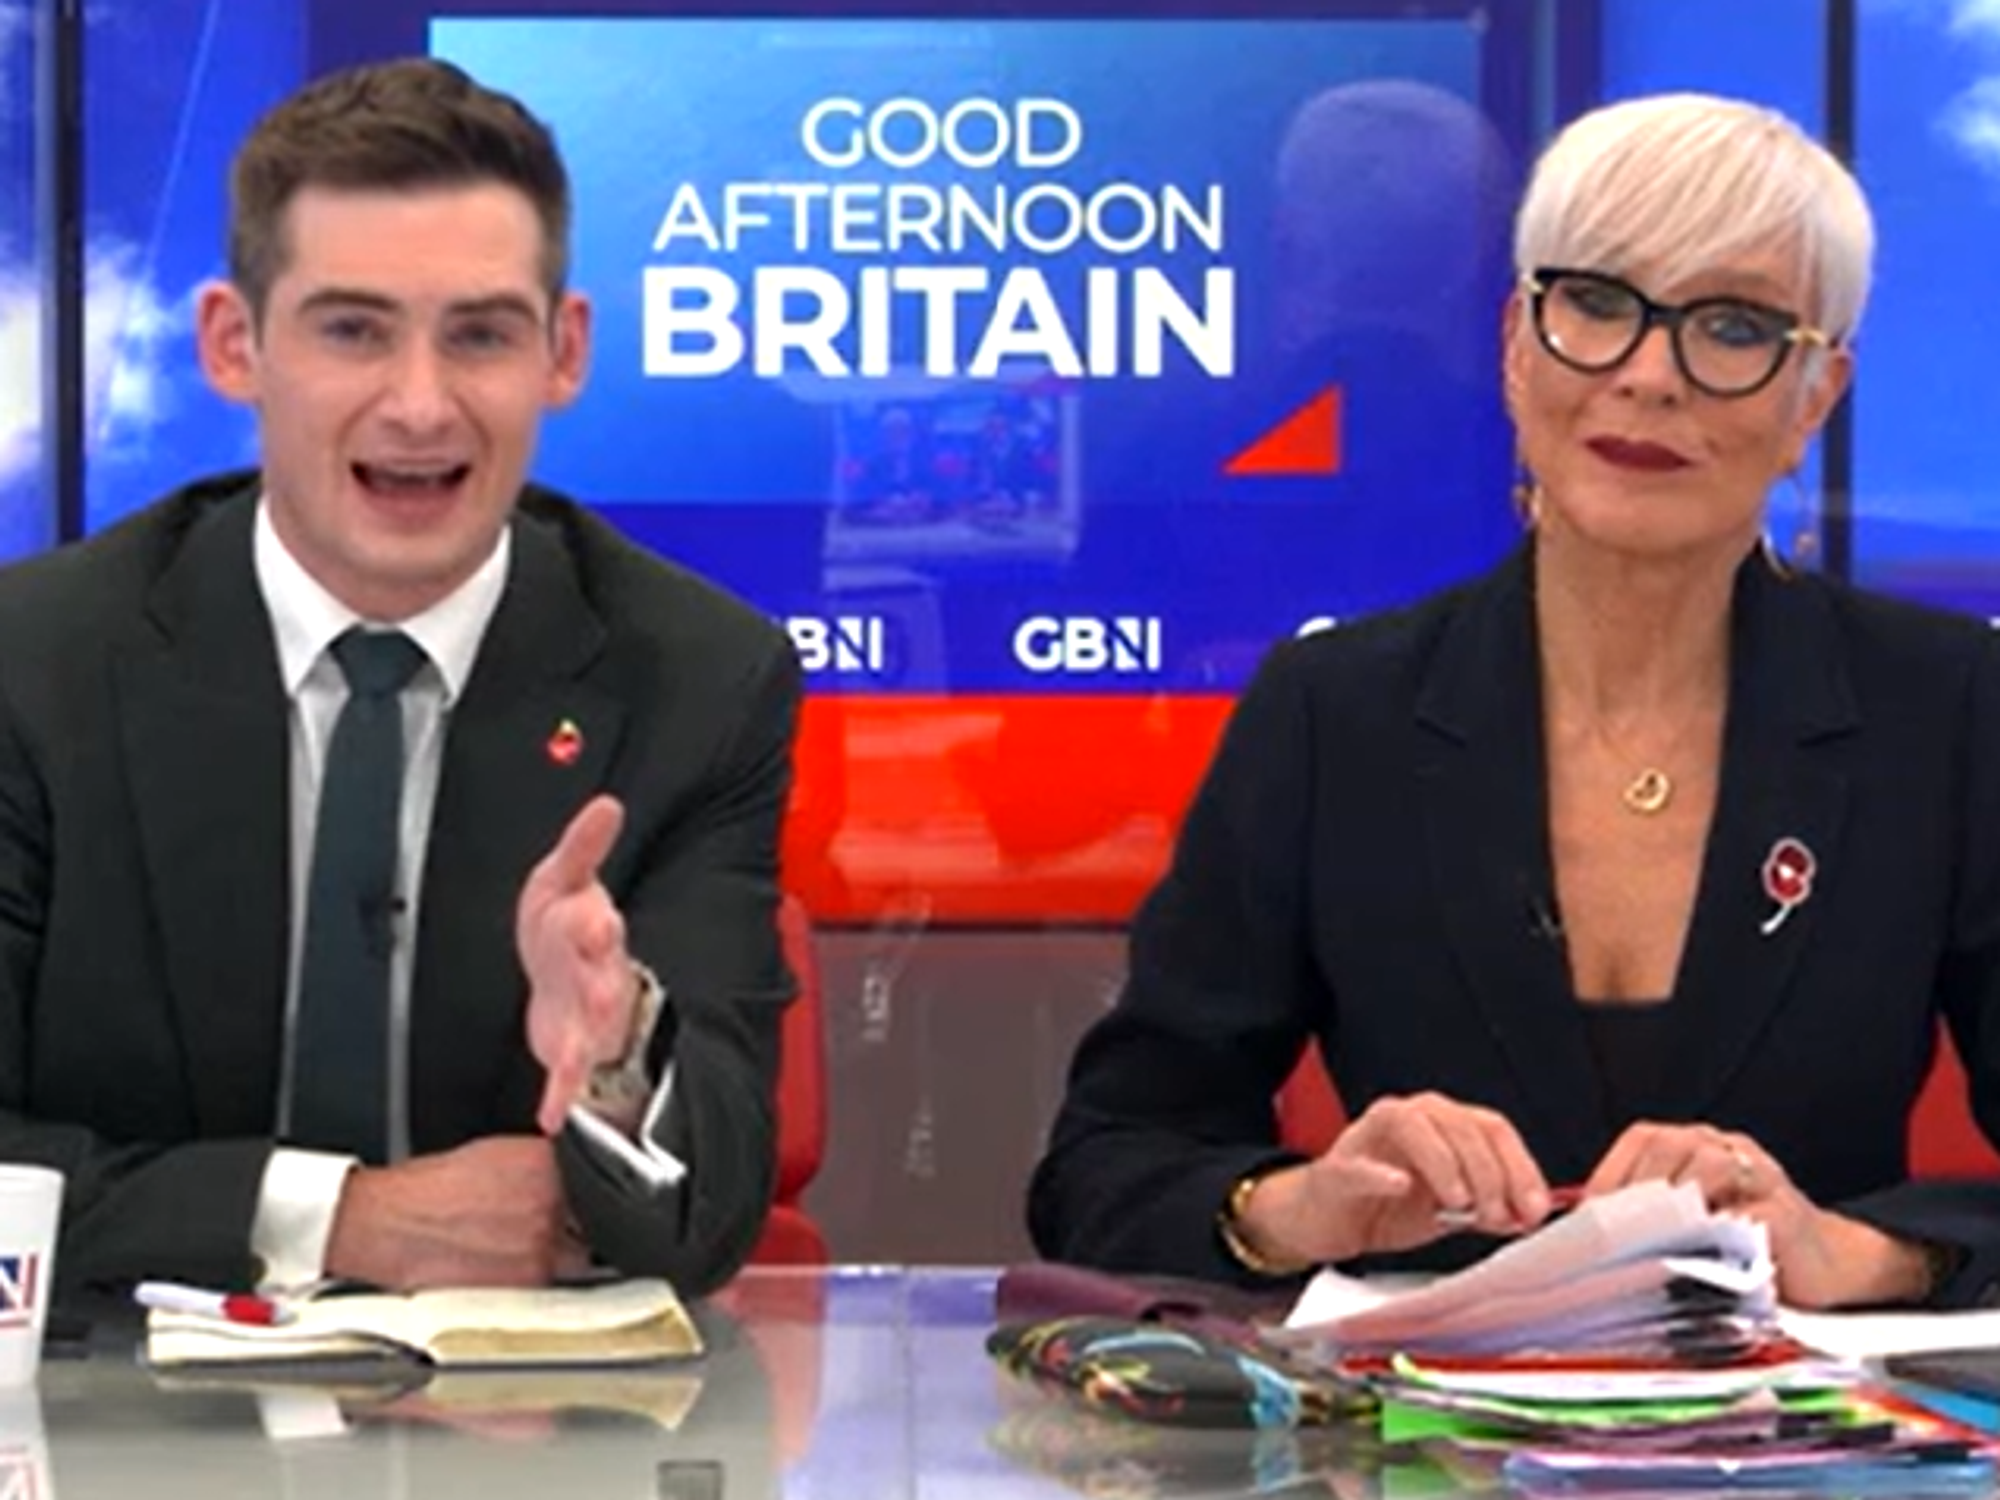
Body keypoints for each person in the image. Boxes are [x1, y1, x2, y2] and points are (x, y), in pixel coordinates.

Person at [1029, 92, 2000, 1309]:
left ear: (1813, 395)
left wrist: (1855, 1251)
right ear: (1513, 345)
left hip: (1800, 1419)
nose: (1647, 376)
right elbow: (1104, 1166)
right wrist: (1300, 1208)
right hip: (1410, 1418)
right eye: (1595, 304)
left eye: (1731, 327)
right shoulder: (1333, 713)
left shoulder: (1949, 712)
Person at [0, 58, 801, 1300]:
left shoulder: (697, 681)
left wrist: (616, 1055)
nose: (420, 406)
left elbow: (705, 1217)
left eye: (479, 335)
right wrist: (336, 1219)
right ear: (233, 345)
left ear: (563, 353)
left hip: (524, 1417)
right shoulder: (31, 665)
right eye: (353, 331)